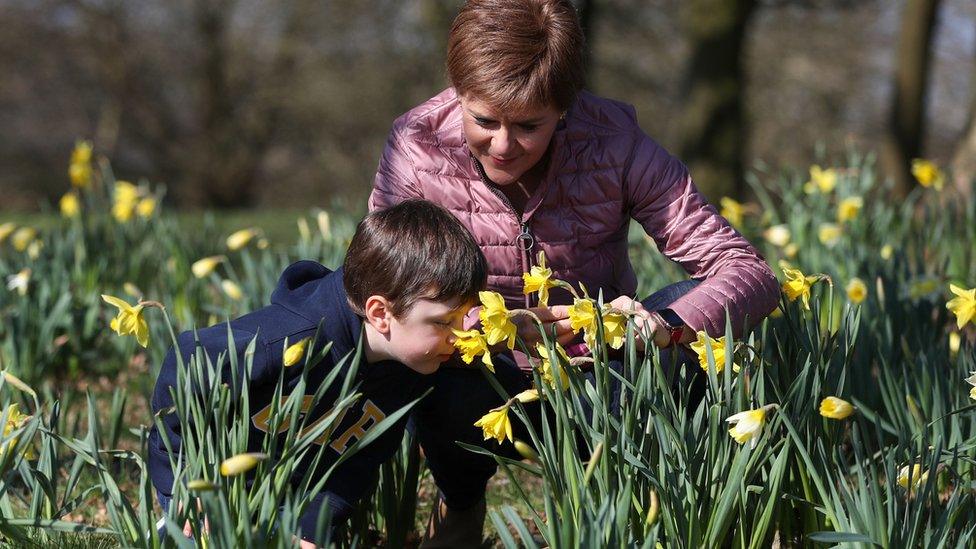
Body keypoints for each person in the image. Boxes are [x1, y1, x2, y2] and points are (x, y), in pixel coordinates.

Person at [369, 0, 781, 545]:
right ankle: (461, 503)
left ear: (564, 107)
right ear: (458, 92)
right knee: (420, 348)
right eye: (483, 120)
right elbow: (379, 290)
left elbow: (749, 271)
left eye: (528, 126)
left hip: (600, 372)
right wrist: (487, 324)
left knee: (688, 312)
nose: (503, 145)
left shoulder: (614, 143)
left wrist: (660, 325)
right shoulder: (418, 147)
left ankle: (622, 499)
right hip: (476, 374)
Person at [146, 200, 488, 546]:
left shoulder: (411, 371)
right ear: (380, 313)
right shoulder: (283, 342)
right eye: (444, 322)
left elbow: (357, 464)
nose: (461, 335)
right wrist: (186, 479)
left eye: (464, 319)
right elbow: (187, 363)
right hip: (206, 493)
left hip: (282, 503)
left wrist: (309, 529)